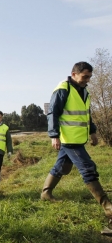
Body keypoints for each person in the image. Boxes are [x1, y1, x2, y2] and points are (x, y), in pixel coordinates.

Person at [41, 61, 112, 233]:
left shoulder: (84, 91)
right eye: (84, 76)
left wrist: (93, 132)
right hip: (68, 138)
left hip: (78, 138)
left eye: (89, 77)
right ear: (74, 74)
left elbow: (86, 114)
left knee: (62, 166)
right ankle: (109, 208)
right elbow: (53, 113)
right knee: (87, 168)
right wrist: (54, 135)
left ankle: (46, 193)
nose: (87, 80)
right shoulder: (62, 90)